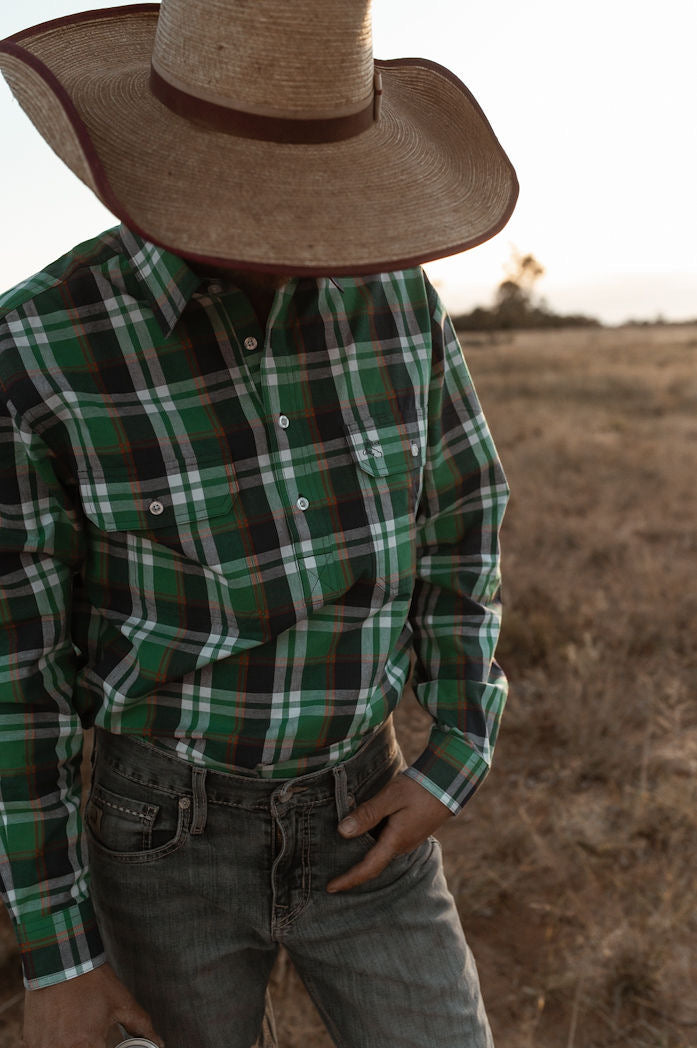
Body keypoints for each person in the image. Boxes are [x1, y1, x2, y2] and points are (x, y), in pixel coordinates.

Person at [0, 2, 517, 1046]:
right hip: (161, 835)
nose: (302, 233)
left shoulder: (397, 302)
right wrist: (59, 952)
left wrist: (458, 740)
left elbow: (464, 509)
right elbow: (18, 681)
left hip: (366, 809)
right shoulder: (39, 353)